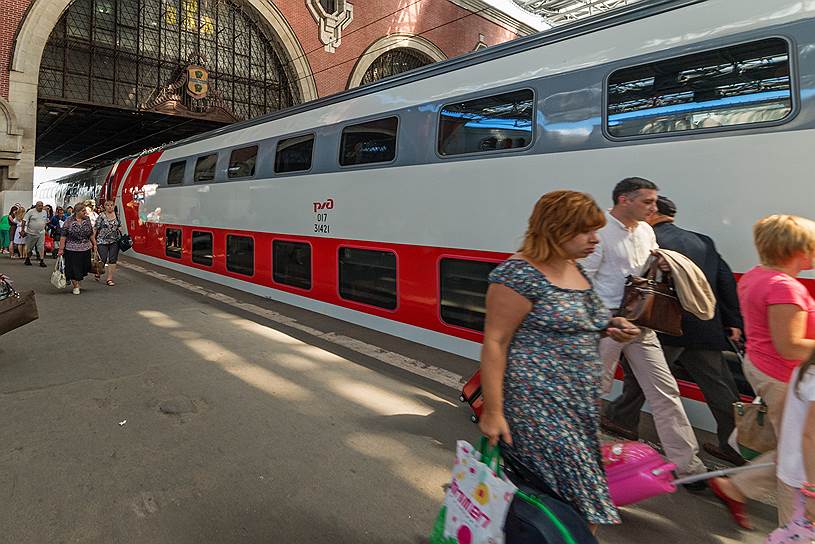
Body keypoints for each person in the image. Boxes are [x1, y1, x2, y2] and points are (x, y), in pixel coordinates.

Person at [479, 190, 640, 528]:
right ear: (555, 229)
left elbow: (574, 320)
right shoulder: (518, 275)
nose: (595, 239)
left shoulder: (573, 267)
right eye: (586, 231)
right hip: (537, 405)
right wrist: (493, 412)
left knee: (574, 506)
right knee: (573, 503)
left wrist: (610, 326)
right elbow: (495, 342)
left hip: (577, 404)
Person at [581, 177, 708, 483]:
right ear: (624, 200)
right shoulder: (599, 231)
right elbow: (583, 281)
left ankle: (687, 465)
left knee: (665, 390)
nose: (654, 207)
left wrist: (663, 267)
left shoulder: (647, 231)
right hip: (606, 323)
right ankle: (580, 456)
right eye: (647, 202)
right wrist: (602, 321)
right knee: (593, 391)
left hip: (640, 322)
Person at [602, 196, 745, 465]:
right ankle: (735, 445)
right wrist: (732, 321)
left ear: (656, 216)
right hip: (702, 325)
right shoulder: (703, 240)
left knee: (640, 382)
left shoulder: (648, 237)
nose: (649, 211)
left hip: (660, 323)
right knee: (715, 387)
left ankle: (622, 421)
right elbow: (725, 280)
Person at [709, 214, 815, 529]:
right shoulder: (785, 288)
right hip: (785, 377)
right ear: (796, 249)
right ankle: (795, 527)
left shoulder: (759, 275)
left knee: (792, 447)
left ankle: (736, 487)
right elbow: (790, 347)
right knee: (797, 456)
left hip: (764, 367)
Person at [774, 354, 815, 528]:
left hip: (791, 472)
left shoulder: (803, 368)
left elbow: (782, 407)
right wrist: (812, 492)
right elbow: (811, 435)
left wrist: (781, 449)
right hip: (804, 480)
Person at [58, 202, 97, 295]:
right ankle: (76, 286)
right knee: (73, 268)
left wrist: (94, 244)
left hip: (85, 248)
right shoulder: (69, 221)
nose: (85, 213)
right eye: (83, 211)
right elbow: (63, 236)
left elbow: (91, 233)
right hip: (72, 249)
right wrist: (61, 249)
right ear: (77, 212)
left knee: (85, 267)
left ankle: (77, 281)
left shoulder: (87, 219)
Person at [94, 199, 120, 286]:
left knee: (113, 259)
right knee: (103, 258)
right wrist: (93, 240)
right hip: (102, 240)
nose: (110, 207)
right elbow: (95, 228)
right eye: (108, 205)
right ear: (104, 207)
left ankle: (109, 278)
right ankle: (98, 272)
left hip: (114, 240)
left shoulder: (116, 215)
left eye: (111, 205)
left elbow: (119, 226)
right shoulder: (101, 216)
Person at [22, 201, 48, 267]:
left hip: (41, 232)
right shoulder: (31, 212)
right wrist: (22, 230)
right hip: (31, 232)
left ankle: (42, 260)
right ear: (36, 206)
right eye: (39, 206)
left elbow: (45, 221)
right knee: (29, 247)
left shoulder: (44, 212)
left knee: (41, 246)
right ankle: (27, 259)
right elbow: (24, 220)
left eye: (42, 205)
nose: (41, 207)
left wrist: (46, 229)